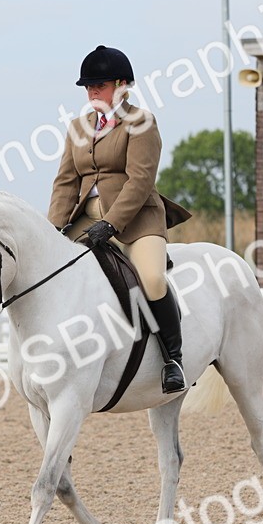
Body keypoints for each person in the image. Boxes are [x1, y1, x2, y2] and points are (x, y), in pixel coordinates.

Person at [48, 44, 192, 394]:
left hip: (136, 219)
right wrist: (51, 230)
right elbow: (66, 181)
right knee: (50, 270)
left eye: (100, 85)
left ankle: (173, 359)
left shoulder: (141, 122)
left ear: (122, 85)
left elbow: (140, 181)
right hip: (85, 219)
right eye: (88, 87)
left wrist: (111, 224)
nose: (92, 92)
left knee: (153, 279)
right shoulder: (77, 127)